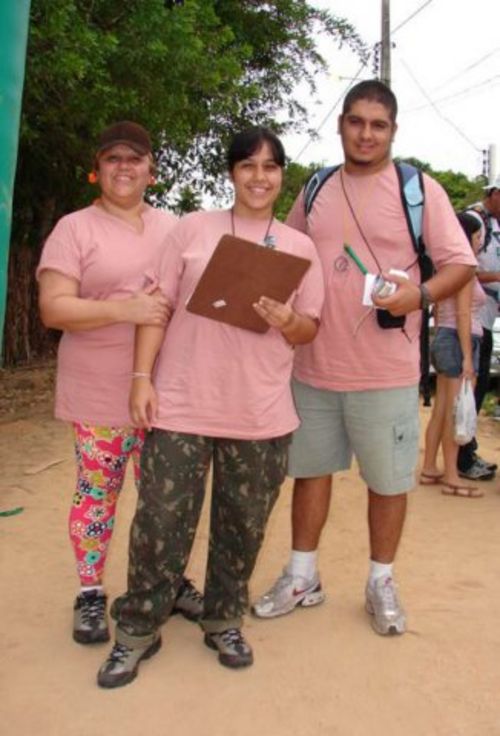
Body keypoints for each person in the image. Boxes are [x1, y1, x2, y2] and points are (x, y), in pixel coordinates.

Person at [96, 126, 325, 689]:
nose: (259, 177)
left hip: (260, 412)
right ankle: (135, 631)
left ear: (281, 176)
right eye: (247, 165)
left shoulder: (300, 249)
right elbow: (158, 307)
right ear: (232, 173)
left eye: (270, 167)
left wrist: (284, 318)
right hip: (181, 405)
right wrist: (141, 378)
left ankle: (224, 620)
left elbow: (308, 329)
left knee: (242, 526)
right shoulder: (193, 230)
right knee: (160, 521)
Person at [252, 80, 476, 636]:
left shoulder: (419, 190)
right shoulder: (316, 189)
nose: (366, 133)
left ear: (393, 131)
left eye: (378, 124)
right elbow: (291, 255)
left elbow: (460, 264)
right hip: (314, 366)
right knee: (310, 473)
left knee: (389, 481)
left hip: (386, 372)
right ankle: (303, 576)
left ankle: (380, 582)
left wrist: (417, 295)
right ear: (341, 125)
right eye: (356, 121)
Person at [37, 121, 202, 646]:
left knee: (167, 498)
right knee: (98, 494)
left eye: (135, 159)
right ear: (98, 169)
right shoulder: (74, 228)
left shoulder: (174, 228)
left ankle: (169, 580)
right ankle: (90, 593)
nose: (124, 167)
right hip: (97, 391)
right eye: (114, 159)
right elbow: (53, 308)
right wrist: (123, 309)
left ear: (152, 169)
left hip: (166, 391)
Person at [420, 213, 486, 498]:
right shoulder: (465, 268)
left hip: (443, 337)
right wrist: (469, 359)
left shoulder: (443, 266)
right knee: (454, 412)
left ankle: (430, 468)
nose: (480, 240)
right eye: (478, 236)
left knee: (441, 410)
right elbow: (461, 313)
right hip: (459, 338)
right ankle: (450, 474)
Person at [457, 178, 500, 480]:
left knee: (476, 390)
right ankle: (462, 457)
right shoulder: (474, 221)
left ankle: (466, 453)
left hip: (485, 319)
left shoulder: (493, 225)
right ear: (495, 194)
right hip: (472, 322)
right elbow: (461, 268)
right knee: (469, 393)